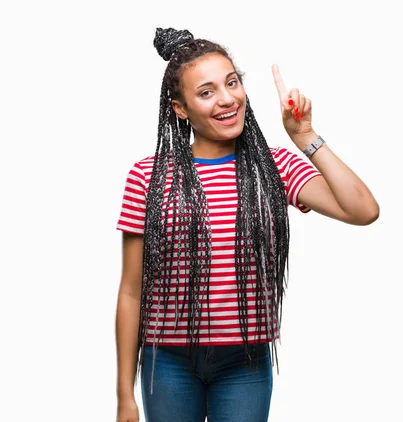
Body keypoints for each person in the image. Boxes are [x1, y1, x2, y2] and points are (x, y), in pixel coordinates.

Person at [115, 27, 379, 422]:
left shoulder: (273, 169)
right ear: (180, 108)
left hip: (246, 362)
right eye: (206, 92)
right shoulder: (147, 177)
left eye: (232, 83)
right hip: (167, 361)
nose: (226, 99)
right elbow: (132, 292)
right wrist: (125, 397)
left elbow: (362, 210)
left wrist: (304, 136)